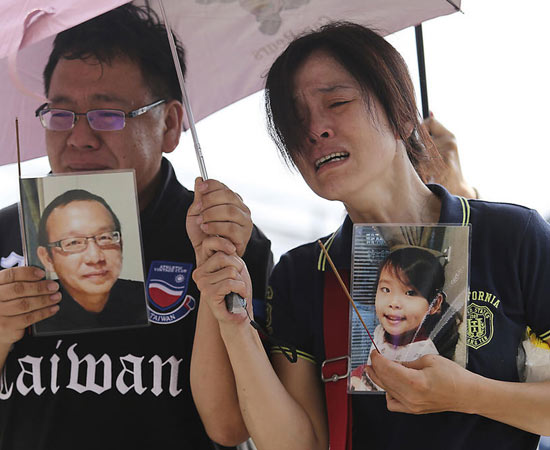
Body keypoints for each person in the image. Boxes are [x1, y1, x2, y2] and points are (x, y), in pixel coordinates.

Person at [189, 21, 550, 450]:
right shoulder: (304, 274)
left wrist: (466, 394)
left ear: (400, 111)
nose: (314, 130)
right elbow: (297, 444)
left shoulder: (512, 237)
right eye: (296, 120)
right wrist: (235, 324)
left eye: (337, 102)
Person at [0, 5, 272, 450]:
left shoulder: (224, 240)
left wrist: (217, 275)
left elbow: (230, 428)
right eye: (61, 114)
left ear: (169, 124)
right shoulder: (6, 234)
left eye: (108, 116)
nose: (80, 137)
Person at [34, 189, 148, 334]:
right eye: (74, 242)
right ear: (47, 258)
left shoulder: (146, 298)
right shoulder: (35, 312)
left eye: (105, 238)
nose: (95, 258)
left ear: (121, 244)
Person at [350, 246, 456, 392]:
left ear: (435, 304)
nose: (393, 303)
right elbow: (372, 368)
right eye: (386, 290)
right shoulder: (380, 331)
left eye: (410, 293)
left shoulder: (426, 356)